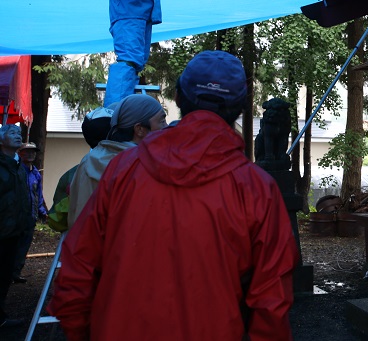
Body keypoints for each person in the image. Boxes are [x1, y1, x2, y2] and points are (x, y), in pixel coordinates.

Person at [49, 51, 299, 341]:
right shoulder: (257, 189)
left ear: (179, 97)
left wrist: (81, 332)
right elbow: (272, 302)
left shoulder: (123, 171)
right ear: (241, 107)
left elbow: (78, 266)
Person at [68, 94, 166, 227]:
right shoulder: (143, 166)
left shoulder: (88, 161)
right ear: (140, 129)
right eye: (161, 121)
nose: (166, 127)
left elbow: (75, 213)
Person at [0, 125, 29, 329]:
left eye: (19, 133)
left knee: (5, 275)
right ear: (1, 140)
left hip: (14, 231)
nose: (18, 135)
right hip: (1, 230)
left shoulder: (19, 166)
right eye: (12, 133)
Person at [12, 142, 47, 284]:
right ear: (20, 153)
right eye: (27, 151)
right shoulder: (17, 171)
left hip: (30, 216)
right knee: (13, 244)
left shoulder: (36, 173)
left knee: (24, 245)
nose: (30, 154)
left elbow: (38, 194)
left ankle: (15, 273)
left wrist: (42, 211)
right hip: (16, 216)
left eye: (33, 152)